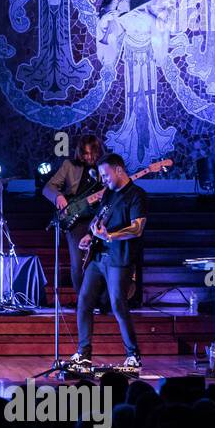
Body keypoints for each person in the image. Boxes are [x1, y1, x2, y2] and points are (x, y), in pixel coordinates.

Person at [69, 153, 147, 373]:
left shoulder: (136, 195)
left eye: (106, 175)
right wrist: (91, 236)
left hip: (119, 259)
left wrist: (109, 236)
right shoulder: (109, 194)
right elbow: (99, 220)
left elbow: (137, 228)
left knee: (118, 305)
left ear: (118, 170)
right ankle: (83, 354)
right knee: (84, 301)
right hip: (98, 257)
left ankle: (133, 355)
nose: (103, 179)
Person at [42, 134, 105, 295]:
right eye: (86, 153)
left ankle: (101, 300)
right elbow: (48, 187)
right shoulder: (69, 165)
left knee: (100, 259)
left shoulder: (105, 166)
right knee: (78, 262)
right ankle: (82, 301)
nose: (89, 157)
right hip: (76, 221)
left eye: (92, 153)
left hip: (99, 219)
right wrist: (59, 197)